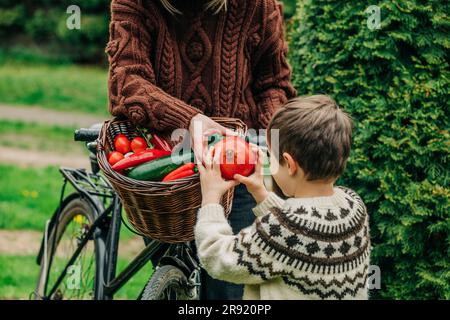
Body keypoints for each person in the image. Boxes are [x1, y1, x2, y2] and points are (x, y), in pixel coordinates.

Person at [106, 0, 296, 299]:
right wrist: (188, 119)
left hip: (236, 168)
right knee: (173, 283)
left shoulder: (259, 6)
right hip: (166, 168)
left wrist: (274, 133)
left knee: (227, 289)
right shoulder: (135, 3)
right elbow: (127, 80)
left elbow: (273, 83)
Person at [195, 95, 371, 299]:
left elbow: (218, 257)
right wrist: (260, 193)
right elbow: (304, 227)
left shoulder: (281, 230)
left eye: (271, 155)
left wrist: (210, 200)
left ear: (289, 164)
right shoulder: (354, 207)